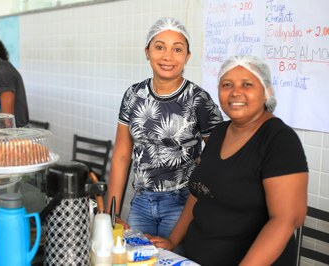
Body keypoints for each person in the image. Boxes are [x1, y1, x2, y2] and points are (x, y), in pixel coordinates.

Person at [148, 55, 309, 265]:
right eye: (226, 84)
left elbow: (287, 220)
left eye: (247, 84)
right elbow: (199, 194)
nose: (235, 92)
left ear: (266, 92)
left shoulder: (279, 140)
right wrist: (172, 241)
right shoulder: (220, 132)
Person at [107, 17, 222, 242]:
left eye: (177, 49)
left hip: (182, 204)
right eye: (159, 47)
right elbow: (121, 156)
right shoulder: (133, 95)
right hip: (140, 201)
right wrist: (112, 213)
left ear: (187, 56)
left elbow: (218, 160)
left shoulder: (199, 100)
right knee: (133, 259)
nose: (168, 56)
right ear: (147, 51)